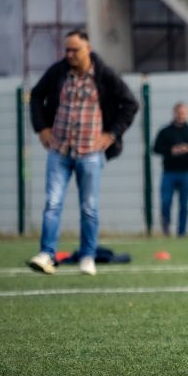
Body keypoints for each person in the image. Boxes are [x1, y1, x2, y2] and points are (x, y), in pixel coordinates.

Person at [27, 30, 138, 276]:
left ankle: (87, 257)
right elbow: (36, 95)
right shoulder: (58, 72)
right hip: (59, 150)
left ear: (87, 48)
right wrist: (42, 128)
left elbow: (130, 104)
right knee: (53, 203)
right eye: (66, 50)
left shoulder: (105, 74)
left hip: (90, 152)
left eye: (75, 50)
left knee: (89, 207)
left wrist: (112, 134)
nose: (70, 54)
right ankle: (47, 254)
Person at [153, 102, 188, 237]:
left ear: (187, 114)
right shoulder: (165, 131)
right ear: (174, 113)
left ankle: (182, 233)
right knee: (166, 203)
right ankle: (166, 230)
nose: (181, 115)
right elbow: (156, 148)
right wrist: (171, 150)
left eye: (183, 113)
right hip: (169, 173)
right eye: (179, 112)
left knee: (184, 205)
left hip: (186, 173)